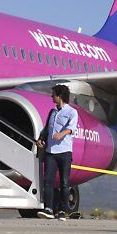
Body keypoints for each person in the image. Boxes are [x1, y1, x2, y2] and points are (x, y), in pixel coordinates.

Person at [35, 84, 79, 220]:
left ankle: (63, 210)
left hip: (64, 152)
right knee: (48, 181)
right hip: (50, 152)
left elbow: (72, 128)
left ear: (59, 96)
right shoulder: (52, 112)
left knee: (64, 182)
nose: (51, 96)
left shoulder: (71, 112)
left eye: (53, 94)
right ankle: (48, 208)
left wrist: (62, 133)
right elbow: (47, 128)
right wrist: (41, 138)